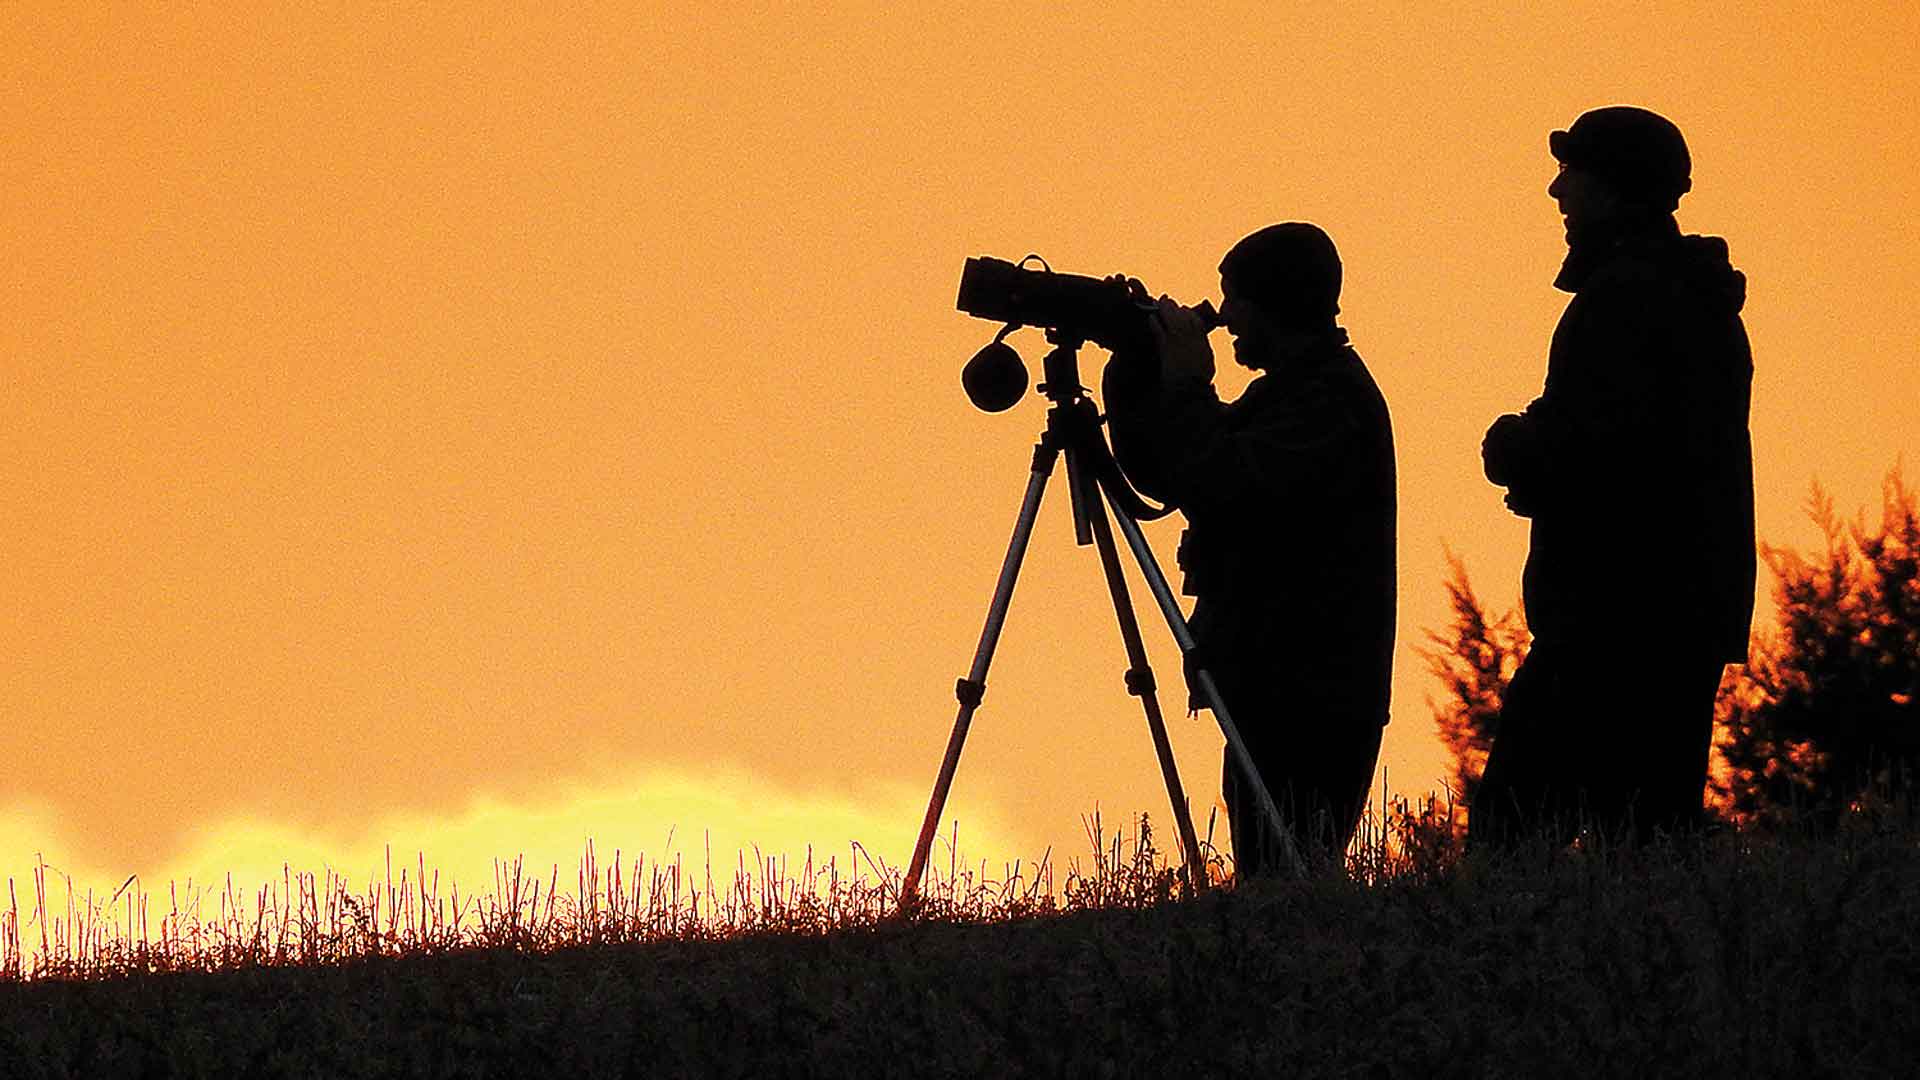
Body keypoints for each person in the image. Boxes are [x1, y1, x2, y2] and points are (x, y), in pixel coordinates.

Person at [1472, 106, 1756, 848]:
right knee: (1649, 838)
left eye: (1575, 173)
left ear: (1612, 189)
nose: (1557, 191)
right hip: (1677, 613)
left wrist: (1514, 447)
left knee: (1512, 836)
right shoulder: (1688, 296)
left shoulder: (1627, 299)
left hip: (1616, 617)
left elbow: (1601, 453)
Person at [1101, 223, 1396, 875]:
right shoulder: (1291, 392)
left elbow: (1222, 485)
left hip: (1312, 696)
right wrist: (1135, 374)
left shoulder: (1330, 402)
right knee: (1274, 876)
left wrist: (1186, 388)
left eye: (1235, 299)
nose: (1224, 316)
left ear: (1276, 302)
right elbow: (1172, 472)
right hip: (1276, 685)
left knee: (1289, 877)